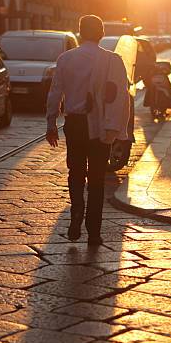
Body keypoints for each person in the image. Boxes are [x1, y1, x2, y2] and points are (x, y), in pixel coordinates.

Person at [46, 15, 130, 246]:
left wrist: (51, 123)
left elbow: (55, 92)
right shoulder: (113, 60)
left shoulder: (65, 59)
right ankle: (94, 230)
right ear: (101, 33)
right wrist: (120, 130)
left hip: (74, 124)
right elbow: (122, 96)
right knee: (96, 178)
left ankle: (76, 213)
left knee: (75, 172)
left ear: (81, 33)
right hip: (101, 125)